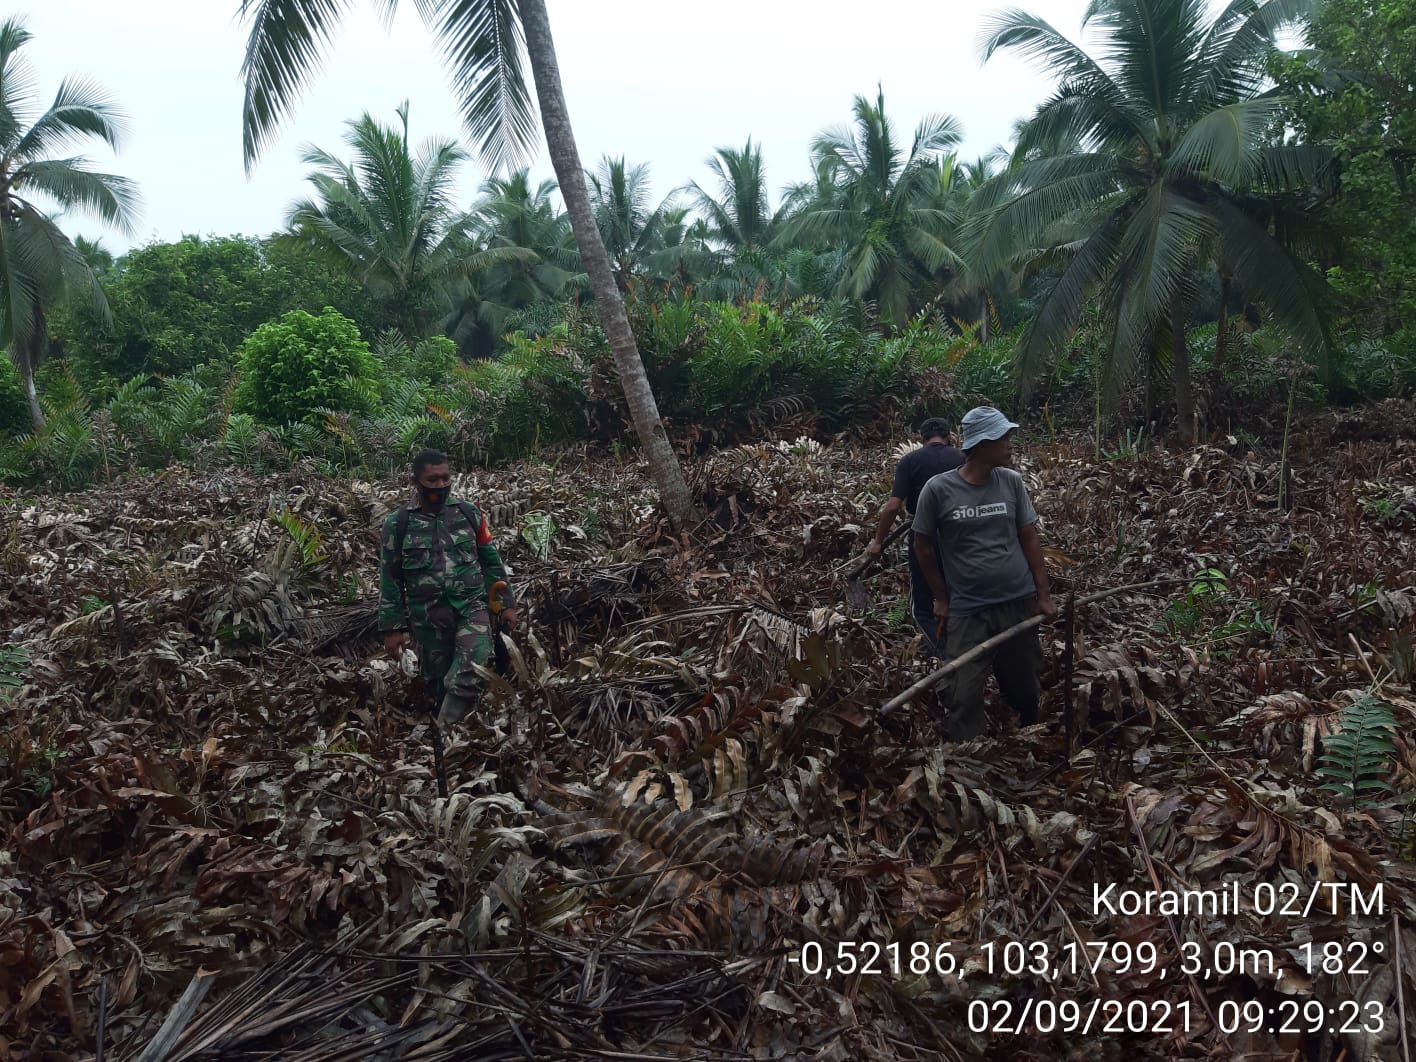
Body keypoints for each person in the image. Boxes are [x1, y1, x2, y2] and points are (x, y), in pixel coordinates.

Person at [912, 407, 1056, 740]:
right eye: (1003, 438)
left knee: (1024, 685)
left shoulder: (1011, 482)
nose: (1010, 444)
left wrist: (1043, 595)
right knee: (962, 692)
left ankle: (1027, 742)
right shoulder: (938, 489)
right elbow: (922, 545)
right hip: (968, 609)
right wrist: (940, 597)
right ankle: (969, 758)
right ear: (983, 442)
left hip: (1016, 603)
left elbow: (1029, 537)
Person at [379, 449, 519, 726]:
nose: (441, 485)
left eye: (446, 478)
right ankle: (456, 738)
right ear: (415, 481)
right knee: (438, 684)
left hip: (472, 607)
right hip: (428, 618)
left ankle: (445, 733)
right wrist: (392, 627)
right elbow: (390, 578)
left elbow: (491, 561)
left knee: (472, 665)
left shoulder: (468, 513)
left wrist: (507, 604)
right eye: (432, 479)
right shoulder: (398, 524)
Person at [867, 417, 965, 656]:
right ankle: (963, 649)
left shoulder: (910, 461)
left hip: (924, 537)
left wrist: (878, 542)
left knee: (922, 607)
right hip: (962, 536)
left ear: (921, 439)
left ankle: (942, 656)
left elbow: (892, 506)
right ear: (949, 436)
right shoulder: (962, 459)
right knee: (957, 596)